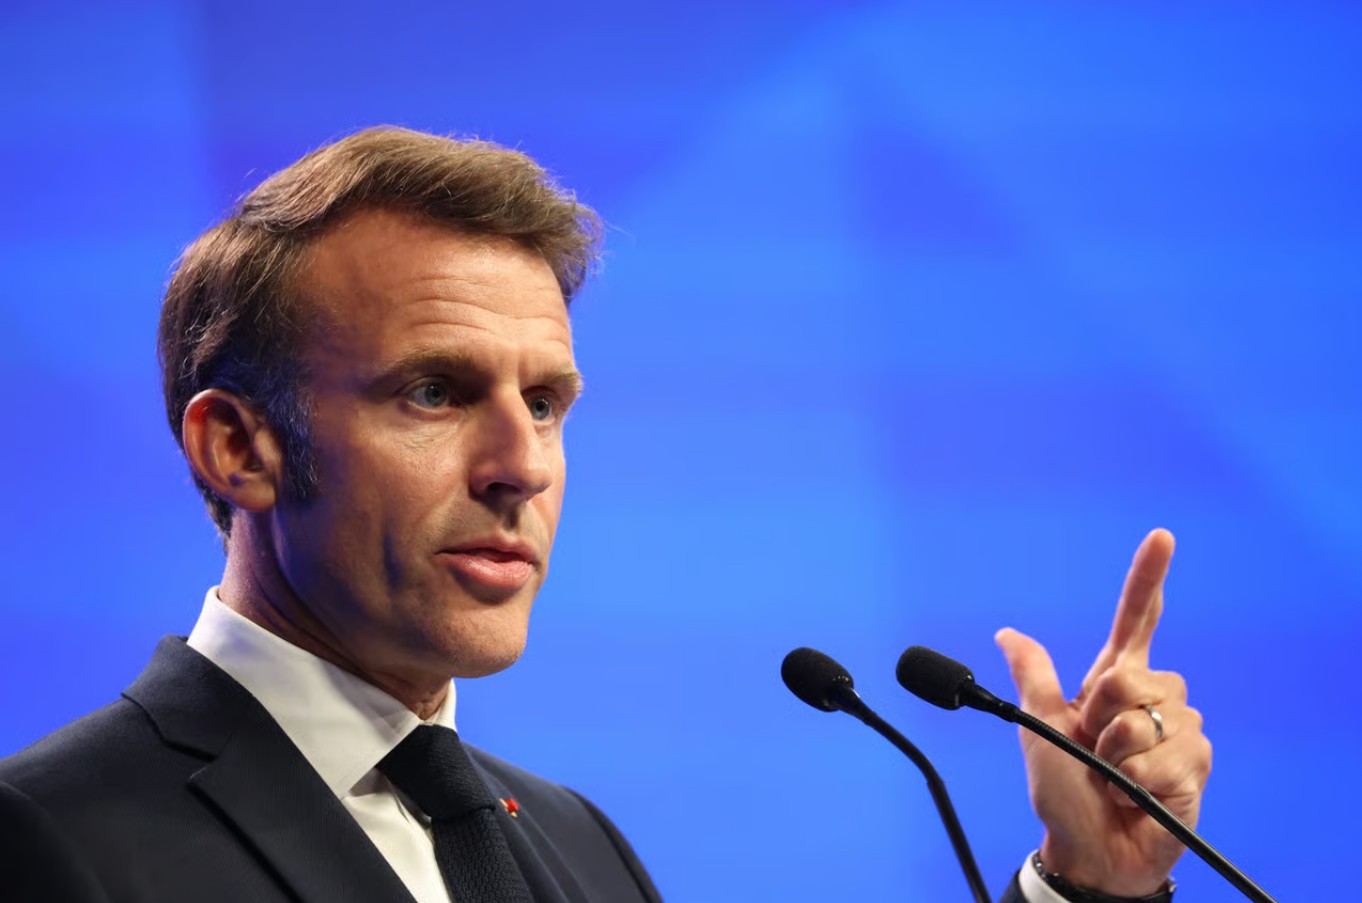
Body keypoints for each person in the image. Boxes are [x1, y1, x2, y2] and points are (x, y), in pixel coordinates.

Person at [0, 127, 1209, 902]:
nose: (520, 466)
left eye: (546, 402)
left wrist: (1086, 888)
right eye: (434, 392)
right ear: (238, 448)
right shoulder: (48, 840)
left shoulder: (579, 847)